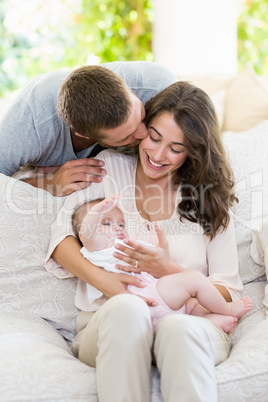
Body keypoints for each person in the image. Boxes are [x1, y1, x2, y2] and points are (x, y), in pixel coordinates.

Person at [46, 80, 245, 402]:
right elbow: (61, 239)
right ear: (143, 128)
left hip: (190, 323)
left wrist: (169, 269)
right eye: (153, 137)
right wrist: (109, 284)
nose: (157, 154)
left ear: (194, 151)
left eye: (176, 148)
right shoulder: (109, 168)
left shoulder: (209, 199)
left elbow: (228, 287)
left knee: (178, 329)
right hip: (110, 322)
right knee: (128, 308)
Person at [71, 194, 251, 333]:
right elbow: (88, 233)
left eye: (121, 224)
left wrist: (161, 251)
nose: (117, 228)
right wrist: (97, 211)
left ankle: (210, 319)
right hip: (140, 301)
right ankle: (227, 309)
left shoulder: (128, 245)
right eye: (107, 222)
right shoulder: (98, 248)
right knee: (194, 280)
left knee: (191, 304)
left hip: (157, 299)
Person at [0, 61, 177, 196]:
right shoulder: (30, 123)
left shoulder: (159, 86)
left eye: (141, 114)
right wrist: (49, 183)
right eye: (127, 136)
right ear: (84, 135)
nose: (144, 133)